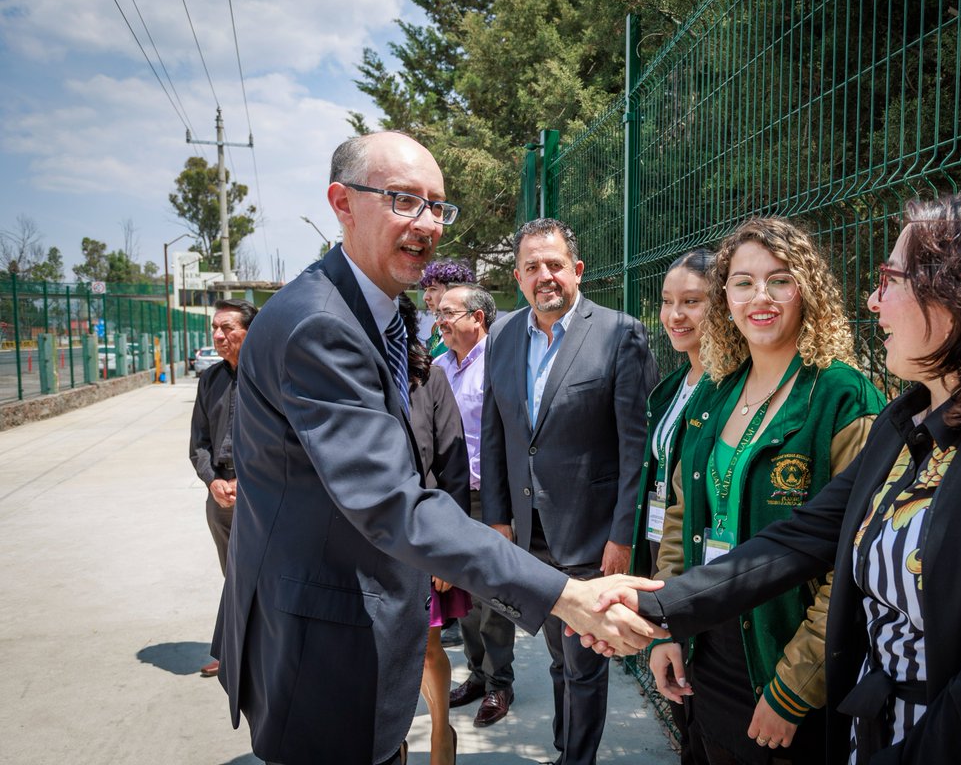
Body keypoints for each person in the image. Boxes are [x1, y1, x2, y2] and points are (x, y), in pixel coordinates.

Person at [597, 193, 961, 765]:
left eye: (890, 279)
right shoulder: (906, 423)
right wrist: (655, 606)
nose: (874, 301)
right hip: (875, 727)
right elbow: (799, 540)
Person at [213, 131, 665, 765]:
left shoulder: (377, 311)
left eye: (438, 207)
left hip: (364, 624)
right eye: (403, 200)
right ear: (342, 202)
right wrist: (565, 595)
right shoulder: (320, 323)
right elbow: (392, 502)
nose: (427, 224)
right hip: (322, 640)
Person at [650, 220, 884, 765]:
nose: (760, 298)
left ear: (808, 289)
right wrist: (667, 626)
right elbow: (681, 521)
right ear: (724, 295)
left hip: (787, 661)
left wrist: (794, 687)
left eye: (780, 280)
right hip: (708, 654)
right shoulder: (715, 392)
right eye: (742, 282)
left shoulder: (843, 397)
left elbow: (854, 560)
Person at [480, 216, 659, 765]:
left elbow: (637, 447)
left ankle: (575, 758)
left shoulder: (618, 333)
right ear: (517, 277)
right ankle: (565, 746)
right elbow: (496, 432)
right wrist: (499, 518)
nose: (545, 276)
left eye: (554, 264)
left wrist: (622, 535)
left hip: (591, 536)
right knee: (559, 653)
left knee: (583, 662)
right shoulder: (504, 334)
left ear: (577, 269)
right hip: (529, 536)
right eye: (532, 267)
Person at [627, 249, 713, 765]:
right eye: (666, 302)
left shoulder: (728, 387)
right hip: (663, 548)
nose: (674, 315)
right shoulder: (670, 387)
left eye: (692, 302)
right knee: (683, 708)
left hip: (701, 561)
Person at [434, 284, 521, 728]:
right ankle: (476, 673)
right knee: (462, 591)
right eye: (438, 312)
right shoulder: (436, 367)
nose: (440, 319)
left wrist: (502, 507)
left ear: (477, 318)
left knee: (494, 595)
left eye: (448, 312)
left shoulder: (502, 363)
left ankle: (499, 683)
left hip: (492, 498)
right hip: (450, 498)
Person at [400, 290, 473, 765]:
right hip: (362, 543)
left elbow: (453, 468)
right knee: (373, 656)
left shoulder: (432, 379)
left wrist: (448, 549)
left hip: (421, 538)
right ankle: (392, 742)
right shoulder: (346, 377)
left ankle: (440, 737)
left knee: (426, 651)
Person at [188, 297, 257, 678]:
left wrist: (248, 481)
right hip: (221, 495)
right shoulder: (209, 381)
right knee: (232, 574)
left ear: (249, 330)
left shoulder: (270, 375)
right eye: (215, 328)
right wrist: (213, 481)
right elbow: (198, 443)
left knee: (263, 573)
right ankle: (233, 651)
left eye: (227, 328)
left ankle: (262, 650)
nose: (218, 335)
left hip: (263, 490)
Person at [420, 259, 476, 359]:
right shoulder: (437, 328)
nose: (425, 297)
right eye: (425, 290)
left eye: (433, 289)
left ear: (455, 290)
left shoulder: (465, 331)